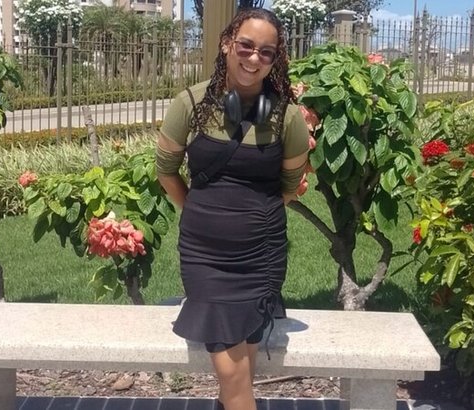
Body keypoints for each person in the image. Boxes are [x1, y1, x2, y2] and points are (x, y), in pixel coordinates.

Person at [155, 8, 310, 410]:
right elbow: (166, 171)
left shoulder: (286, 117)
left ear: (275, 60)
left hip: (260, 257)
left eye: (266, 52)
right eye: (246, 45)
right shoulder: (190, 103)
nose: (254, 57)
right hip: (205, 257)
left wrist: (254, 219)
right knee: (233, 372)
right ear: (227, 44)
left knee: (241, 370)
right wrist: (199, 213)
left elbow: (289, 188)